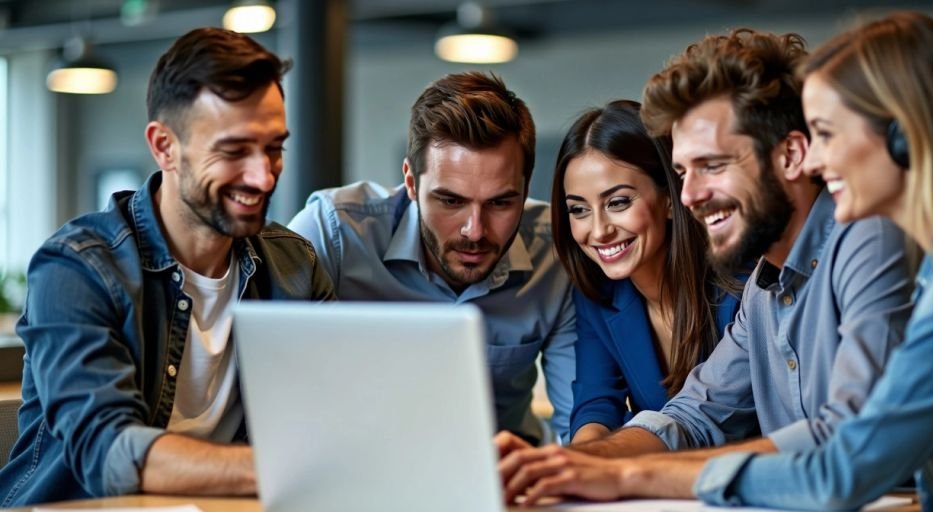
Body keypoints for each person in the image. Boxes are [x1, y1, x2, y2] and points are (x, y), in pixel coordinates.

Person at [498, 28, 917, 504]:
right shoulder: (764, 286)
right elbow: (694, 417)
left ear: (791, 155)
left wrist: (630, 476)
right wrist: (571, 462)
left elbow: (847, 440)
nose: (690, 195)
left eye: (713, 165)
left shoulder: (868, 239)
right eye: (681, 173)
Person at [694, 12, 933, 511]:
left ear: (903, 136)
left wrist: (644, 477)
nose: (815, 161)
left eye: (826, 134)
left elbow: (842, 469)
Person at [0, 28, 334, 506]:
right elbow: (109, 452)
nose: (262, 175)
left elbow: (332, 418)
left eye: (274, 148)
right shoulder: (77, 267)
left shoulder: (295, 265)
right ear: (164, 146)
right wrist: (289, 468)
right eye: (234, 150)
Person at [288, 71, 575, 445]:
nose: (475, 230)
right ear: (410, 181)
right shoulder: (332, 235)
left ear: (526, 185)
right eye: (451, 201)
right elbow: (275, 389)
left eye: (500, 202)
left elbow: (579, 424)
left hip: (502, 482)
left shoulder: (556, 253)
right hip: (354, 466)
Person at [548, 100, 740, 444]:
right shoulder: (599, 294)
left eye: (617, 202)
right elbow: (596, 402)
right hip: (660, 482)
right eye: (578, 209)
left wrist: (597, 461)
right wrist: (580, 458)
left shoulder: (737, 286)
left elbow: (716, 417)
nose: (598, 230)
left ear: (669, 198)